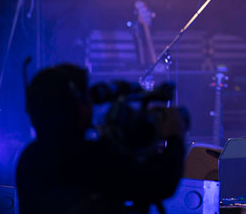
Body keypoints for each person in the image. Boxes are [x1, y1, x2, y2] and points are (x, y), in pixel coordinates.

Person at [16, 64, 187, 214]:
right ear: (79, 107)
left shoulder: (29, 158)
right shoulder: (85, 157)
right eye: (87, 98)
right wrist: (175, 133)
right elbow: (159, 182)